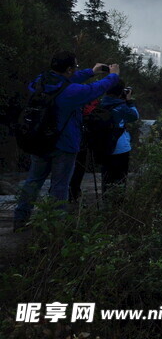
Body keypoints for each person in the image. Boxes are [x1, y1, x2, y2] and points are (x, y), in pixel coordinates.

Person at [13, 54, 120, 229]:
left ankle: (20, 219)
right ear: (69, 69)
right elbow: (95, 89)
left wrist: (90, 72)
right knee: (60, 186)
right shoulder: (72, 93)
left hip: (39, 141)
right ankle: (55, 224)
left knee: (33, 181)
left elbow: (61, 82)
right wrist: (113, 76)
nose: (76, 70)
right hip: (64, 144)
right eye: (75, 67)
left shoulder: (39, 82)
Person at [99, 81, 139, 191]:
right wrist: (129, 101)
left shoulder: (101, 103)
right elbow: (135, 116)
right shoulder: (121, 107)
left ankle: (106, 200)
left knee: (106, 178)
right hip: (120, 147)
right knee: (120, 178)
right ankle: (118, 203)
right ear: (121, 92)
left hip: (103, 146)